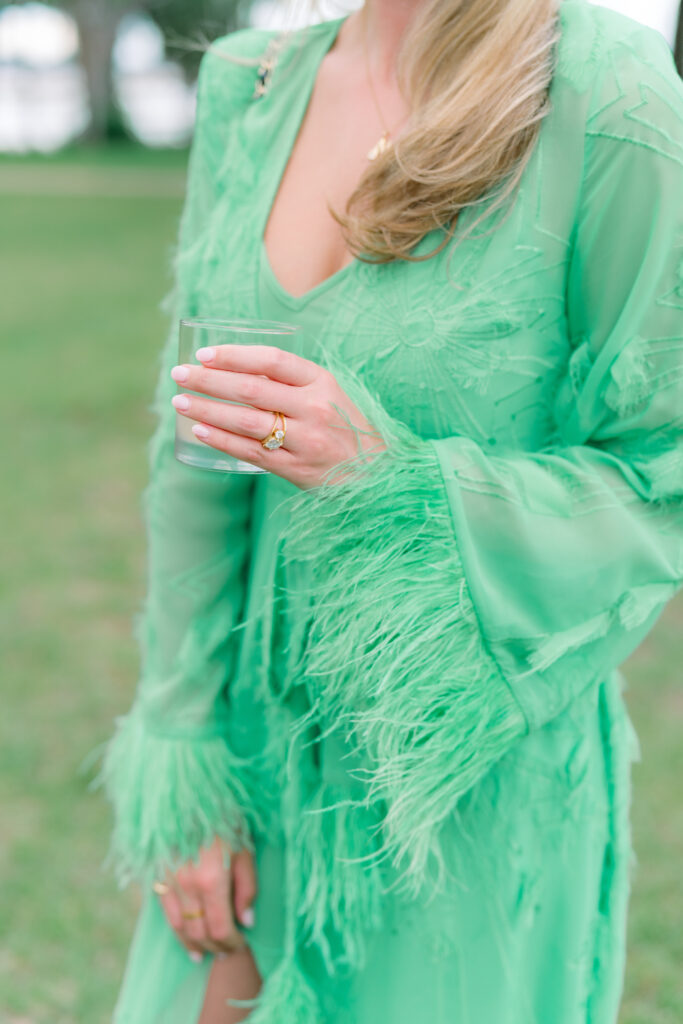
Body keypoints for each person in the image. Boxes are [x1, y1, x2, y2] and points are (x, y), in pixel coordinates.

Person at [99, 0, 683, 1020]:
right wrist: (186, 754)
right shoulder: (251, 82)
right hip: (244, 751)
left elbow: (658, 476)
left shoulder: (609, 95)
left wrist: (389, 478)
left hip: (456, 802)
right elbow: (189, 443)